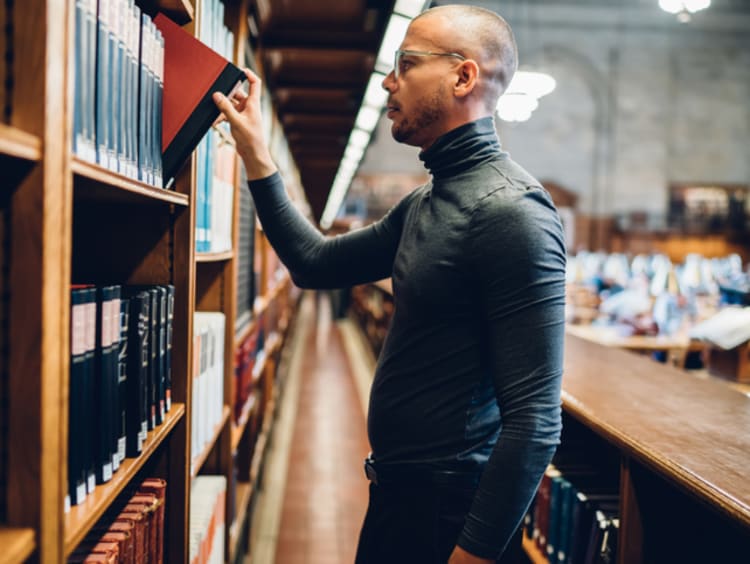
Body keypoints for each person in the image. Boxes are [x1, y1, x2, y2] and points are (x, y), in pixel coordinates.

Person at [213, 4, 566, 563]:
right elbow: (313, 263)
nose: (388, 81)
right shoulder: (425, 202)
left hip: (448, 517)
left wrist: (471, 555)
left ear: (463, 76)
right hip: (399, 499)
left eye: (405, 63)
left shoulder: (512, 213)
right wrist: (257, 152)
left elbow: (536, 420)